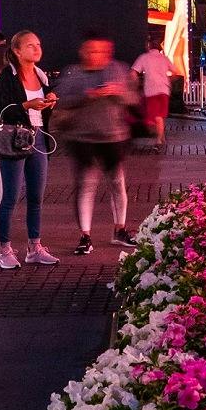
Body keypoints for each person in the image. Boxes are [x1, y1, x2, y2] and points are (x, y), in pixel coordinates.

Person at [56, 36, 137, 256]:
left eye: (103, 51)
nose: (98, 55)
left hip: (114, 136)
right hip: (83, 138)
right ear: (83, 51)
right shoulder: (73, 73)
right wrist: (88, 95)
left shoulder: (118, 69)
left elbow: (133, 99)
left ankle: (120, 230)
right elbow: (61, 100)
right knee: (87, 185)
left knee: (117, 182)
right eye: (92, 51)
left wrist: (118, 92)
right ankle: (85, 235)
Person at [0, 28, 57, 269]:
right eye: (30, 45)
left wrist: (49, 102)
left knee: (36, 196)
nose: (37, 48)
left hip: (38, 138)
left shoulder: (41, 75)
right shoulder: (7, 77)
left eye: (38, 44)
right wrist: (27, 104)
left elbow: (43, 110)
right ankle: (4, 250)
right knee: (10, 196)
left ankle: (34, 247)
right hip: (15, 138)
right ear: (17, 51)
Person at [132, 30, 172, 148]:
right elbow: (174, 71)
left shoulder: (144, 58)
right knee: (161, 115)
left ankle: (159, 139)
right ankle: (162, 136)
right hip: (164, 90)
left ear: (148, 45)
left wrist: (134, 84)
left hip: (151, 91)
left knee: (156, 116)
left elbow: (133, 73)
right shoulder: (164, 58)